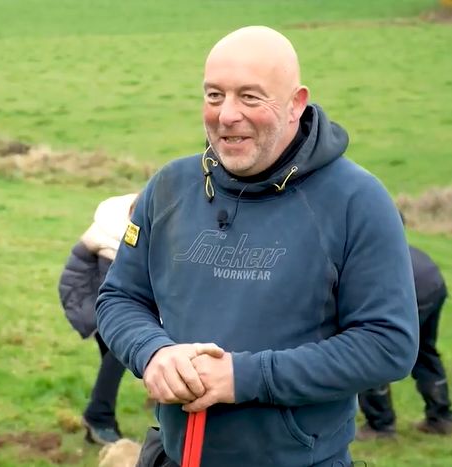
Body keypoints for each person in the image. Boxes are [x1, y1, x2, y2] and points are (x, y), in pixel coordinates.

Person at [95, 26, 419, 467]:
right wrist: (153, 352)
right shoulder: (170, 187)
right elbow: (119, 297)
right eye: (214, 96)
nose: (227, 114)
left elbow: (388, 343)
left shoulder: (356, 201)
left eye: (249, 97)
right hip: (175, 455)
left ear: (295, 104)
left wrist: (243, 377)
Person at [58, 193, 138, 445]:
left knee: (114, 357)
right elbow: (119, 295)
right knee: (121, 350)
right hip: (89, 298)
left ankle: (102, 420)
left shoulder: (129, 225)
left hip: (95, 296)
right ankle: (98, 417)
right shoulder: (116, 240)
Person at [358, 239, 450, 438]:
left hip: (414, 289)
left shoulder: (362, 254)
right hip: (433, 282)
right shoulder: (386, 243)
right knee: (425, 352)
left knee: (371, 352)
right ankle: (441, 418)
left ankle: (380, 426)